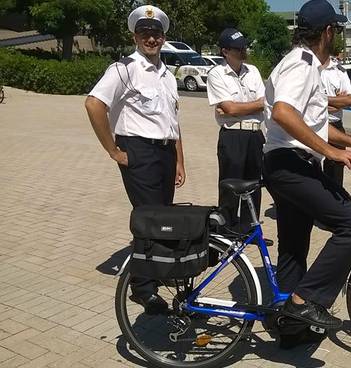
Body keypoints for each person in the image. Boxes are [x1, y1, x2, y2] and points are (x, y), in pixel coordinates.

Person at [262, 0, 351, 332]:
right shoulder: (303, 64)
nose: (337, 36)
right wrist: (331, 151)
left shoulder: (306, 64)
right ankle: (304, 301)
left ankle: (289, 328)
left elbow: (312, 123)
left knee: (295, 248)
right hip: (289, 164)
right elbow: (284, 113)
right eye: (337, 30)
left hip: (288, 163)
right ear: (328, 32)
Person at [85, 5, 184, 314]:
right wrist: (113, 150)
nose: (150, 39)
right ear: (135, 36)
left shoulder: (167, 74)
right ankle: (142, 289)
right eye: (144, 34)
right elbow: (93, 104)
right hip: (138, 151)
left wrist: (180, 161)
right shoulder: (123, 69)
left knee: (163, 218)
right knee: (149, 219)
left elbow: (173, 121)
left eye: (155, 34)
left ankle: (153, 273)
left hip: (165, 152)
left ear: (163, 38)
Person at [206, 28, 268, 237]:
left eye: (244, 46)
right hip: (232, 136)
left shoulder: (253, 71)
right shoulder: (216, 74)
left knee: (254, 184)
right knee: (230, 185)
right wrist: (252, 105)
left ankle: (250, 231)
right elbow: (229, 109)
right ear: (225, 51)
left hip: (255, 135)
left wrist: (236, 108)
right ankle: (227, 231)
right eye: (238, 48)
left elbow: (264, 102)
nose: (243, 51)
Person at [320, 55, 351, 185]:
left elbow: (349, 100)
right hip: (313, 126)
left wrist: (319, 100)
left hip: (335, 125)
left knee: (335, 173)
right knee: (311, 168)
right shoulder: (309, 68)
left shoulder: (339, 70)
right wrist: (336, 102)